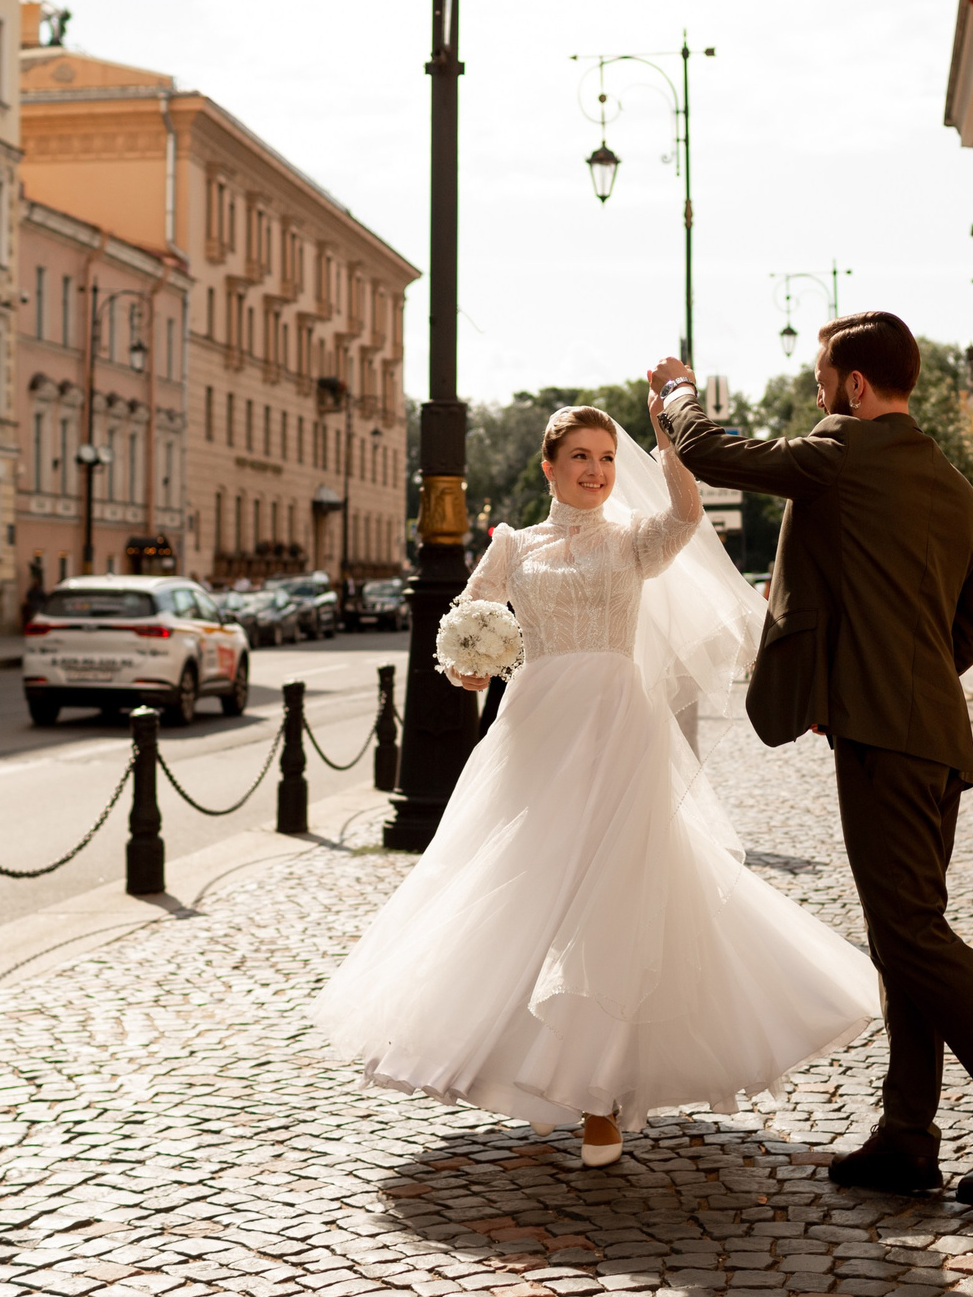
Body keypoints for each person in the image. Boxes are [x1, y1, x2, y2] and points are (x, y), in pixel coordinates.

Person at [312, 404, 878, 1167]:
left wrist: (672, 438)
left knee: (615, 895)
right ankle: (515, 1063)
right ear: (548, 467)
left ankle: (601, 1097)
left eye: (607, 458)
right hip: (535, 734)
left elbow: (684, 511)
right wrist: (465, 666)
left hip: (619, 730)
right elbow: (468, 631)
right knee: (529, 890)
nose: (596, 471)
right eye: (580, 456)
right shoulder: (513, 546)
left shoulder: (635, 542)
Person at [650, 311, 973, 1206]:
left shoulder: (842, 453)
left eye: (822, 379)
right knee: (906, 935)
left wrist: (676, 392)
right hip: (936, 733)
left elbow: (713, 450)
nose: (817, 394)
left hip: (888, 739)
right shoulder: (954, 486)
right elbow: (963, 635)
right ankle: (906, 1135)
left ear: (854, 386)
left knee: (914, 934)